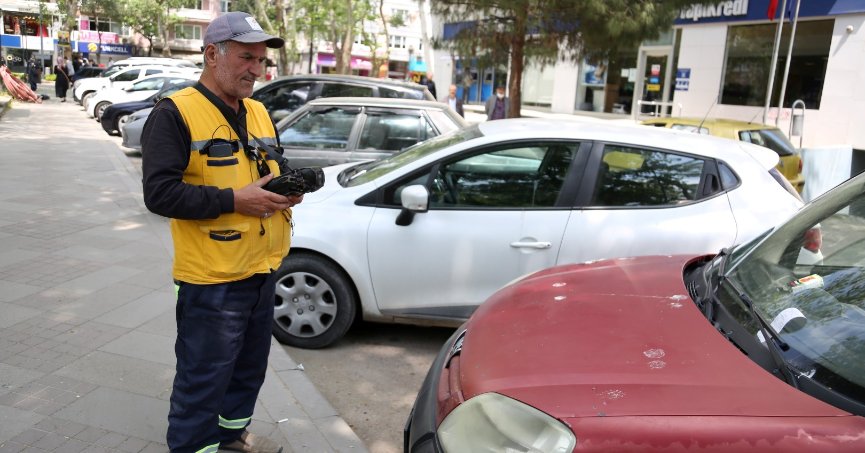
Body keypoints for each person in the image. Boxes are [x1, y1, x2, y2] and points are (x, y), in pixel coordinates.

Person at [140, 11, 299, 453]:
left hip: (262, 269)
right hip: (211, 283)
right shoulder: (175, 114)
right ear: (212, 55)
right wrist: (235, 201)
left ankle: (231, 439)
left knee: (249, 371)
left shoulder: (259, 111)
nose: (257, 69)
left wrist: (288, 188)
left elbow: (272, 167)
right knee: (202, 382)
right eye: (247, 57)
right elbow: (160, 194)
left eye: (261, 60)